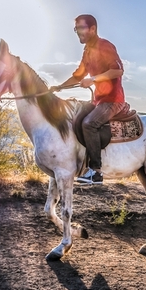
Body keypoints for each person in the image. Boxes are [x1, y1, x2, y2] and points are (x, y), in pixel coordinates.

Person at [54, 14, 127, 184]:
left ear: (93, 29)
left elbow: (117, 71)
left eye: (81, 28)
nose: (78, 32)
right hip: (98, 101)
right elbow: (78, 75)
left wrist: (93, 79)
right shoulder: (87, 51)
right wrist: (58, 87)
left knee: (89, 123)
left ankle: (96, 172)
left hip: (113, 100)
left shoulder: (105, 46)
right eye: (76, 29)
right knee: (74, 118)